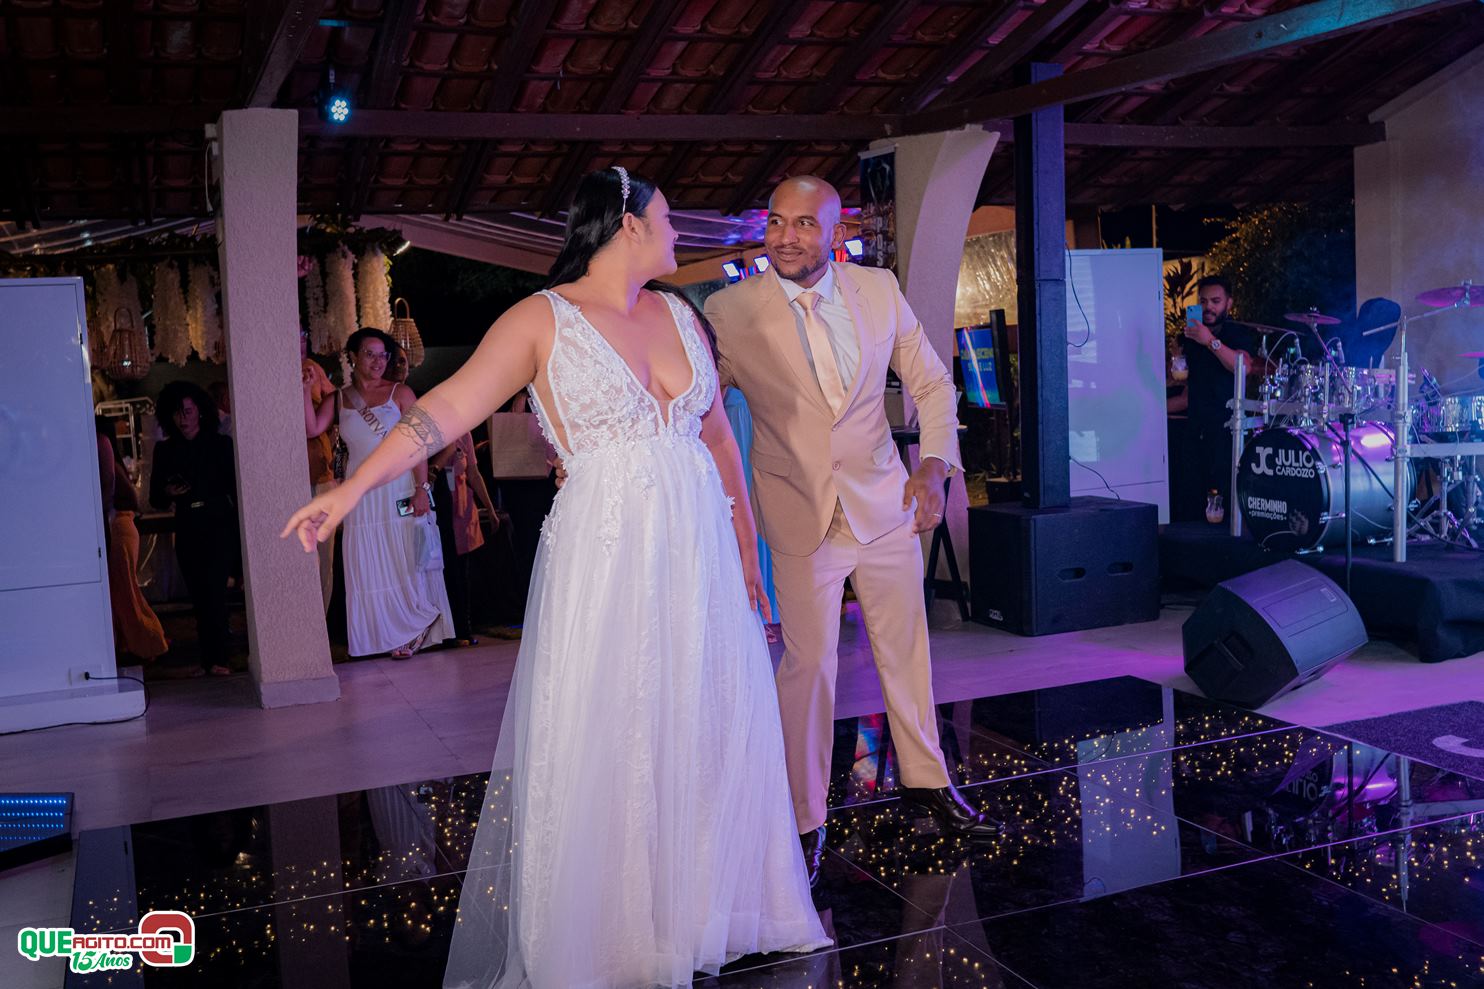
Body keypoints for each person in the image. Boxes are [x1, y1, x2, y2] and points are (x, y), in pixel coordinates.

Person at [284, 166, 829, 988]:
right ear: (627, 225)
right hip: (606, 559)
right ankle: (615, 934)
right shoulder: (541, 320)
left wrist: (748, 552)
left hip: (700, 559)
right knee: (616, 729)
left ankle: (715, 912)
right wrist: (353, 486)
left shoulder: (681, 315)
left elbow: (719, 439)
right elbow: (443, 409)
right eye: (667, 218)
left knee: (706, 719)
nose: (679, 232)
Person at [702, 176, 1001, 887]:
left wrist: (934, 467)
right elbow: (696, 401)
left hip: (883, 501)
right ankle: (804, 817)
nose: (785, 237)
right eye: (776, 222)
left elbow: (932, 383)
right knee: (809, 666)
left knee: (907, 648)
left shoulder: (878, 289)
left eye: (805, 224)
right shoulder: (728, 310)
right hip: (797, 508)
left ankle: (927, 782)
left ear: (837, 233)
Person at [305, 328, 454, 659]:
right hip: (361, 495)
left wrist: (421, 489)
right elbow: (312, 428)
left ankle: (415, 625)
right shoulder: (338, 398)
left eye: (382, 355)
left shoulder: (401, 393)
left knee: (403, 555)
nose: (377, 361)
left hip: (399, 488)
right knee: (367, 562)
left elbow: (419, 445)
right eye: (369, 354)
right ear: (353, 357)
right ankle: (383, 635)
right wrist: (304, 390)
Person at [149, 382, 237, 676]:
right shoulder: (165, 450)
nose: (183, 418)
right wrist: (169, 492)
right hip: (187, 524)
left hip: (218, 524)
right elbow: (155, 498)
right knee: (199, 594)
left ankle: (220, 658)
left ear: (200, 412)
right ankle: (209, 659)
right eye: (177, 413)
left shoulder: (220, 445)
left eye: (188, 411)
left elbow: (234, 490)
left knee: (215, 592)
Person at [1167, 275, 1264, 521]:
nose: (1208, 307)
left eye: (1215, 301)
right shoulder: (1189, 337)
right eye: (1203, 301)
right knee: (1190, 497)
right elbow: (1183, 381)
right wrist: (1176, 362)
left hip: (1226, 427)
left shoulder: (1236, 333)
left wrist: (1210, 341)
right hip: (1195, 425)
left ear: (1228, 303)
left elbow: (1243, 367)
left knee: (1224, 493)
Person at [98, 419, 169, 662]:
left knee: (125, 593)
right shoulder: (112, 458)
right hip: (122, 525)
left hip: (117, 526)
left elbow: (112, 491)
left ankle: (148, 642)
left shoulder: (100, 446)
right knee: (124, 592)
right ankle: (133, 643)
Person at [428, 431, 498, 646]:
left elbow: (474, 474)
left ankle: (463, 629)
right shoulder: (430, 432)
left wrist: (490, 508)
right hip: (438, 507)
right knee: (444, 570)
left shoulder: (464, 434)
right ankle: (445, 631)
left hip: (462, 509)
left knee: (462, 572)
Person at [301, 327, 338, 613]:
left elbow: (335, 402)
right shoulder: (269, 369)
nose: (300, 341)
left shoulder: (313, 368)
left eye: (302, 335)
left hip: (321, 475)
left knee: (324, 558)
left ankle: (321, 622)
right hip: (291, 477)